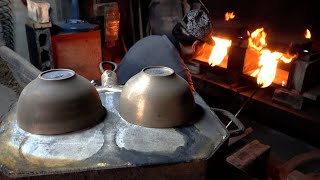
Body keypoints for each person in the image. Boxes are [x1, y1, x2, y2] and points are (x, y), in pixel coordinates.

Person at [116, 9, 215, 92]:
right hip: (123, 103)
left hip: (113, 89)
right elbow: (191, 106)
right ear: (195, 45)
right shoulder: (180, 74)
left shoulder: (152, 39)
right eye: (203, 46)